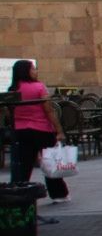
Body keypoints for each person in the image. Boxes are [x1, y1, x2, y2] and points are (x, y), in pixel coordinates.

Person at [7, 59, 69, 203]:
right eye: (33, 69)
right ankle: (58, 194)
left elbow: (10, 114)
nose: (36, 71)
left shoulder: (12, 89)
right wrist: (59, 130)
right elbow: (49, 111)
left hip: (21, 131)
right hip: (42, 129)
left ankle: (18, 193)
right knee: (50, 162)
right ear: (26, 71)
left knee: (24, 165)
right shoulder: (39, 87)